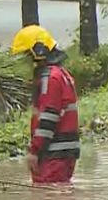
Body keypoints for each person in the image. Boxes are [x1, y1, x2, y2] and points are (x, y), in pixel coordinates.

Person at [10, 25, 80, 184]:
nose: (26, 62)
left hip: (53, 152)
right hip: (63, 152)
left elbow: (48, 117)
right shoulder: (61, 74)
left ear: (38, 52)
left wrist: (34, 150)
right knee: (59, 199)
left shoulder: (50, 78)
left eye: (27, 55)